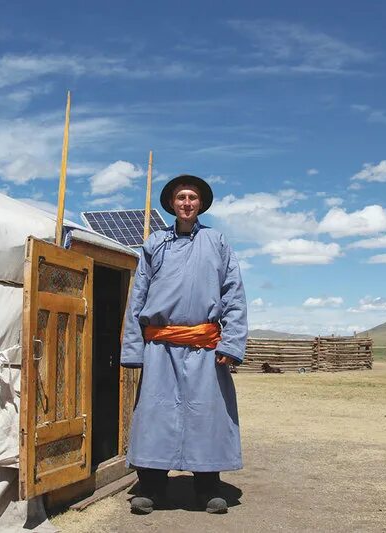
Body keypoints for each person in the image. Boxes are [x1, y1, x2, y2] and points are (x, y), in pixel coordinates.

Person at [121, 174, 248, 515]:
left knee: (206, 414)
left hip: (204, 345)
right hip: (160, 347)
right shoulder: (155, 243)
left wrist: (230, 344)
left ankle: (207, 489)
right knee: (155, 414)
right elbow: (138, 297)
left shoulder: (217, 241)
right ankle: (151, 487)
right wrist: (134, 350)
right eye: (181, 198)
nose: (187, 203)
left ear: (201, 204)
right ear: (172, 204)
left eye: (192, 197)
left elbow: (233, 293)